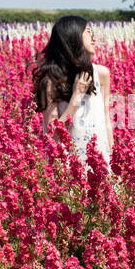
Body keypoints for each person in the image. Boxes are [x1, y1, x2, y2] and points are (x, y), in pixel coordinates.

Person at [32, 15, 113, 172]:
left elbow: (106, 120)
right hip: (68, 168)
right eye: (88, 32)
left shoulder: (101, 74)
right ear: (73, 37)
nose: (94, 38)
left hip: (100, 162)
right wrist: (76, 97)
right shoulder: (51, 81)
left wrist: (115, 159)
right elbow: (53, 135)